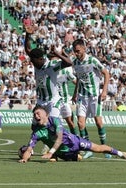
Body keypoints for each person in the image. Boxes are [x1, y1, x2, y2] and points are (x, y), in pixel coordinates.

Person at [18, 105, 126, 163]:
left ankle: (122, 154)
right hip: (63, 153)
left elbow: (59, 138)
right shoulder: (37, 132)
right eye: (34, 115)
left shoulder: (55, 120)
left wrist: (50, 152)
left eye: (38, 113)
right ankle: (63, 156)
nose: (36, 116)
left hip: (75, 142)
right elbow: (29, 148)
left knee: (99, 148)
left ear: (46, 114)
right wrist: (24, 159)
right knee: (75, 159)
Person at [24, 25, 73, 154]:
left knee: (53, 126)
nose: (32, 63)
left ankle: (59, 149)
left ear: (40, 59)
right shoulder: (36, 62)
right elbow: (28, 49)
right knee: (34, 125)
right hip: (41, 101)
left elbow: (69, 63)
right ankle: (32, 147)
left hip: (53, 101)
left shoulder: (51, 66)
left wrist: (57, 54)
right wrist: (27, 35)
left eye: (34, 61)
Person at [71, 39, 111, 159]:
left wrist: (104, 91)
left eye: (78, 51)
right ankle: (88, 148)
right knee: (80, 123)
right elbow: (78, 78)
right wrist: (75, 93)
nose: (76, 53)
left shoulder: (92, 60)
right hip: (82, 96)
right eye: (74, 51)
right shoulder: (75, 63)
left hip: (94, 96)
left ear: (84, 49)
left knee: (98, 122)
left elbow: (106, 73)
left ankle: (105, 148)